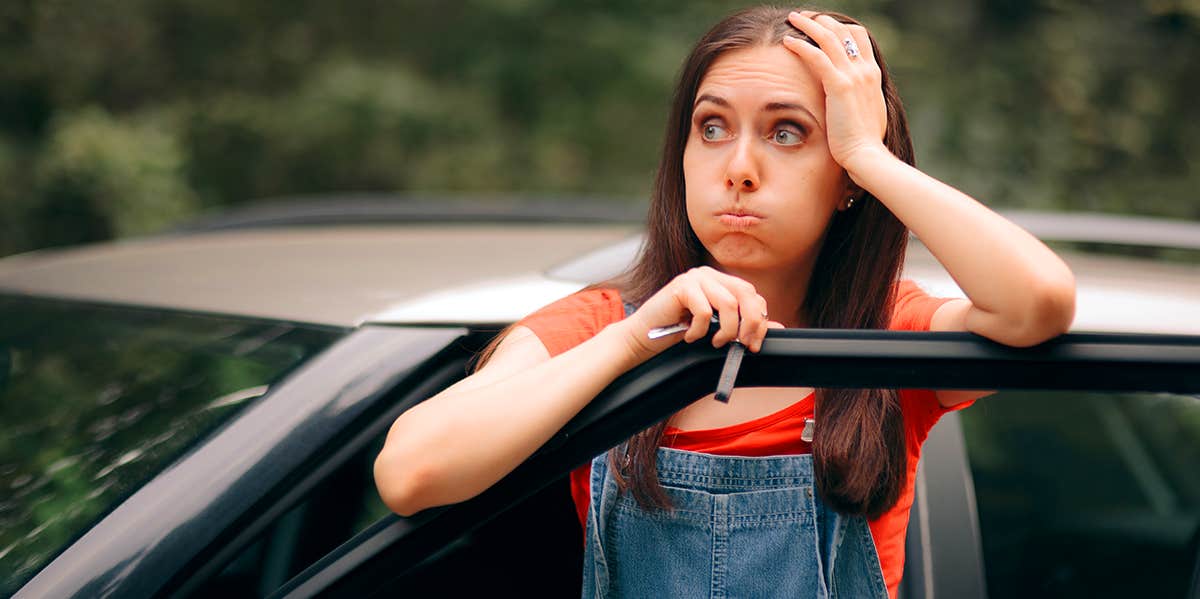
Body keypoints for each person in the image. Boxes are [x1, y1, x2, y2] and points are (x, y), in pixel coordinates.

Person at [374, 5, 1076, 598]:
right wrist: (631, 343)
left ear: (845, 179)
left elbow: (1037, 302)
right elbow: (411, 473)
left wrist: (870, 154)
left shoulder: (887, 334)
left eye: (787, 132)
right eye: (712, 128)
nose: (738, 169)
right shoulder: (599, 324)